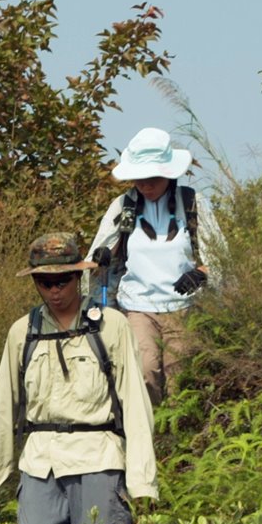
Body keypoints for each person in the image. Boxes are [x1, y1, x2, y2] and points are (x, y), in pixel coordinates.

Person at [0, 231, 158, 524]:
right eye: (45, 282)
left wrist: (142, 481)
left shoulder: (110, 326)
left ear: (78, 276)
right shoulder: (22, 332)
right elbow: (3, 408)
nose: (54, 290)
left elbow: (136, 406)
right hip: (41, 462)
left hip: (100, 459)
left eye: (62, 280)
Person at [89, 127, 227, 405]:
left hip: (184, 307)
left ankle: (179, 430)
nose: (145, 185)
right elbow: (98, 255)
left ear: (168, 174)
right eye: (139, 179)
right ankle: (148, 429)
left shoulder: (192, 203)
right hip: (137, 306)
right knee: (145, 372)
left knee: (182, 376)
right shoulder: (124, 206)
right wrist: (101, 256)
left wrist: (200, 274)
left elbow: (221, 258)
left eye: (152, 178)